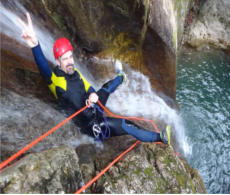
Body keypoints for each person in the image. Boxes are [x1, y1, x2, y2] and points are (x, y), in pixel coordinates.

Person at [17, 13, 171, 144]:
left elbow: (87, 86)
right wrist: (35, 44)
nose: (70, 61)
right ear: (57, 62)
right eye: (65, 59)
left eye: (71, 57)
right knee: (127, 125)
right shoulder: (55, 82)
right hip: (92, 125)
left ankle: (121, 77)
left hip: (93, 106)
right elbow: (43, 68)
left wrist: (92, 93)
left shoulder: (74, 71)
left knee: (105, 88)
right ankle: (161, 138)